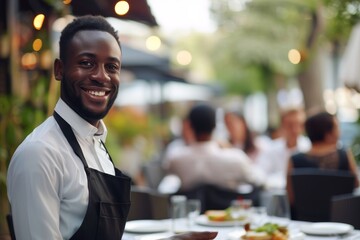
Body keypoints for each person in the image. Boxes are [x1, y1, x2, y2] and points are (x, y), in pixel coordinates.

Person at [6, 15, 217, 240]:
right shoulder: (39, 154)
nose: (101, 76)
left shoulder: (96, 144)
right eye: (86, 63)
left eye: (111, 66)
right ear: (59, 70)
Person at [163, 103, 265, 191]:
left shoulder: (176, 160)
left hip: (193, 212)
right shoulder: (236, 158)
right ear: (215, 126)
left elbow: (167, 185)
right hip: (227, 213)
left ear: (190, 126)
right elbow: (260, 181)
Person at [286, 111, 360, 206]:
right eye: (337, 128)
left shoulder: (294, 159)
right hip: (341, 218)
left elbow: (290, 198)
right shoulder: (344, 155)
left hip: (305, 219)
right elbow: (356, 185)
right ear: (328, 135)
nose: (339, 132)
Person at [256, 108, 311, 189]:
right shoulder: (272, 148)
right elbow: (260, 174)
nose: (295, 130)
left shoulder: (309, 148)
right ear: (282, 126)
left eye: (299, 125)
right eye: (290, 125)